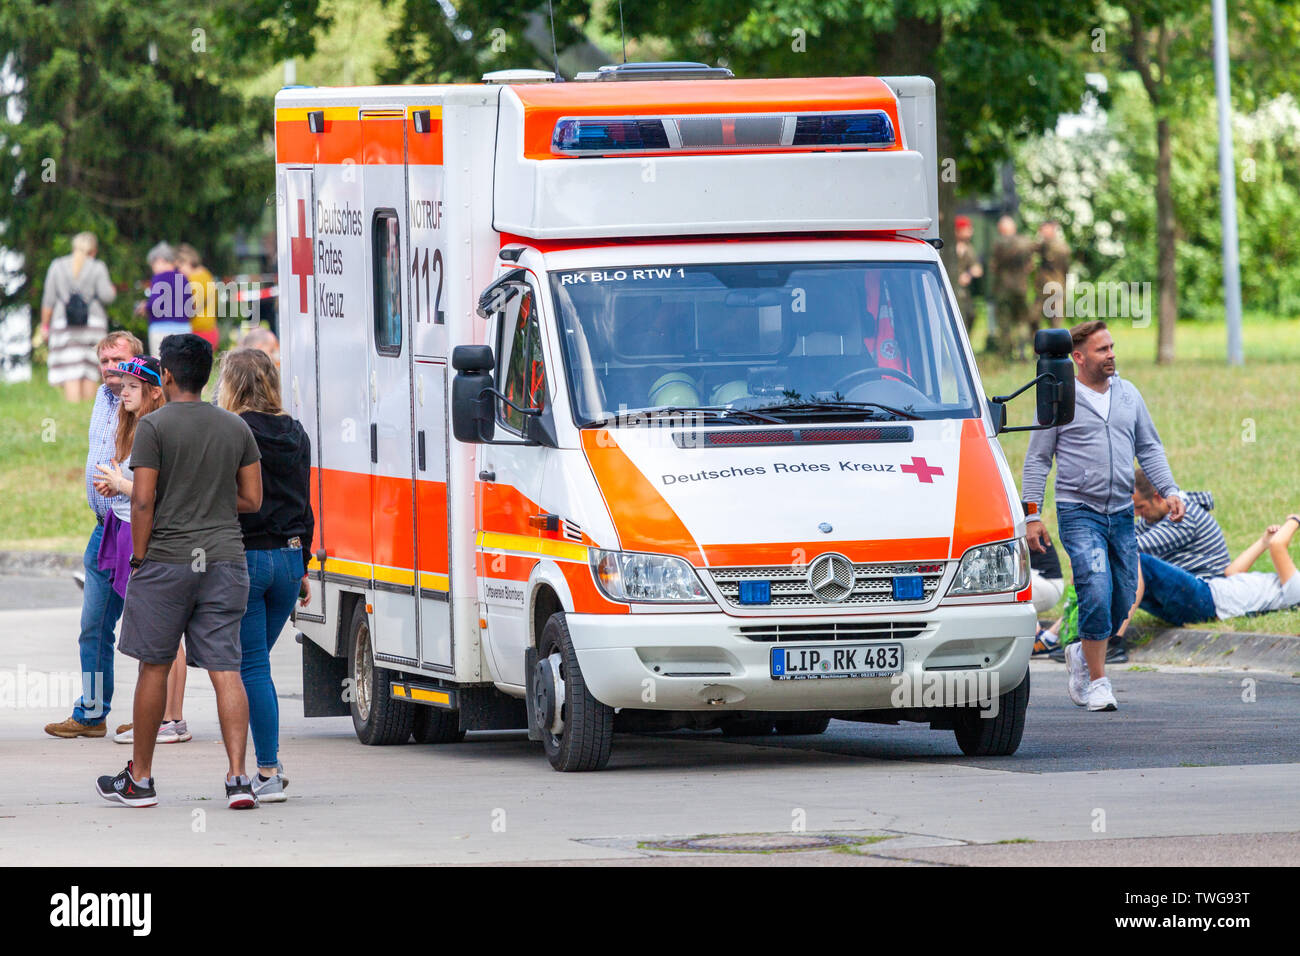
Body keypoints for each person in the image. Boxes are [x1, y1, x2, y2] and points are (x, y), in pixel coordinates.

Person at [95, 334, 263, 809]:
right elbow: (252, 500)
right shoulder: (236, 427)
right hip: (226, 560)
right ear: (206, 374)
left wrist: (140, 557)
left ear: (165, 376)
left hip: (167, 560)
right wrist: (208, 498)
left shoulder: (155, 427)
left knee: (154, 666)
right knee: (227, 669)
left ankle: (141, 780)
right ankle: (238, 779)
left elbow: (143, 498)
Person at [1022, 320, 1186, 710]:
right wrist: (1032, 514)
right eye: (1102, 349)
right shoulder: (1060, 396)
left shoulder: (1128, 395)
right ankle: (1098, 681)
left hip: (1121, 512)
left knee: (1122, 597)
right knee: (1095, 588)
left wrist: (1170, 490)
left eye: (1112, 347)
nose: (1111, 354)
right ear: (1078, 357)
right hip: (1079, 511)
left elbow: (1149, 448)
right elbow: (1037, 459)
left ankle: (1080, 652)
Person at [218, 348, 314, 803]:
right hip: (291, 560)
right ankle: (269, 767)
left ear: (233, 385)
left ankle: (268, 771)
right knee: (258, 666)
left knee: (251, 667)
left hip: (249, 558)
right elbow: (304, 503)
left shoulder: (235, 430)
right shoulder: (296, 432)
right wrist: (306, 565)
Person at [44, 332, 144, 739]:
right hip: (104, 529)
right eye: (103, 360)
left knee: (148, 628)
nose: (108, 368)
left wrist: (121, 484)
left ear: (136, 361)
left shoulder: (145, 403)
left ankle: (155, 716)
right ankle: (91, 713)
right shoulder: (103, 399)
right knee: (94, 626)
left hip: (137, 530)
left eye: (117, 359)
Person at [90, 355, 193, 746]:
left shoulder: (157, 428)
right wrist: (115, 486)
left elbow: (162, 494)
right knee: (148, 630)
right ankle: (154, 715)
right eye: (121, 385)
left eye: (132, 387)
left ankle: (172, 718)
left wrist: (121, 484)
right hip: (124, 527)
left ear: (154, 391)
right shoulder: (133, 424)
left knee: (165, 631)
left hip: (147, 533)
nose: (122, 392)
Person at [1136, 517, 1300, 626]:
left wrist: (1294, 520)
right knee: (1128, 573)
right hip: (1204, 601)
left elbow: (1278, 545)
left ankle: (1116, 644)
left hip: (1207, 600)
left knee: (1140, 561)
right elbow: (1232, 572)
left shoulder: (1297, 590)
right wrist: (1264, 542)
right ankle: (1113, 637)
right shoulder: (1285, 585)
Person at [40, 232, 118, 402]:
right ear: (94, 250)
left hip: (64, 325)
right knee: (90, 367)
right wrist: (113, 290)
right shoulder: (98, 267)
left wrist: (45, 326)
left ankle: (73, 409)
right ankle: (87, 413)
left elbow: (48, 300)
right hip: (94, 324)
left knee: (70, 369)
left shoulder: (57, 266)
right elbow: (107, 296)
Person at [1133, 468, 1230, 578]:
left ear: (1158, 497)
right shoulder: (1151, 517)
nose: (1136, 513)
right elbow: (1127, 539)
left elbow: (1137, 546)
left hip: (1206, 585)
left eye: (1140, 507)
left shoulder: (1183, 516)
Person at [988, 215, 1036, 359]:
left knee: (1004, 322)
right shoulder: (1025, 243)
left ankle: (1006, 353)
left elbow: (993, 266)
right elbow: (1031, 266)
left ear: (1001, 229)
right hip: (1021, 288)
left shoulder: (998, 244)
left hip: (1003, 288)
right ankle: (1022, 352)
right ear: (1013, 228)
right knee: (1022, 321)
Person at [140, 243, 191, 355]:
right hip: (183, 328)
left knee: (162, 366)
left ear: (160, 260)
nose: (153, 269)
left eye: (153, 265)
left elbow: (154, 304)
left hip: (161, 329)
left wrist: (145, 307)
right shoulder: (183, 278)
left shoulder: (159, 278)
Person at [175, 244, 219, 350]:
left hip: (199, 332)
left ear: (188, 261)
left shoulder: (195, 279)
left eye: (179, 267)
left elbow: (192, 307)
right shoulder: (206, 274)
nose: (178, 271)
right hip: (210, 330)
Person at [1029, 537, 1065, 656]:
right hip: (1040, 581)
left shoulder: (1018, 522)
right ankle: (1040, 634)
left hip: (1047, 583)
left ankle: (1035, 633)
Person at [1034, 221, 1072, 330]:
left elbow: (1034, 246)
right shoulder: (1064, 247)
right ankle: (1052, 343)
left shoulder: (1048, 245)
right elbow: (1067, 269)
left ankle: (1040, 342)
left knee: (1037, 317)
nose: (1041, 232)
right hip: (1056, 286)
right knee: (1054, 321)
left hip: (1048, 287)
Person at [952, 214, 983, 334]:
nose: (971, 232)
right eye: (967, 229)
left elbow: (977, 268)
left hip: (964, 290)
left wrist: (968, 274)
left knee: (970, 315)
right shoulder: (949, 247)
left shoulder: (969, 248)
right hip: (952, 287)